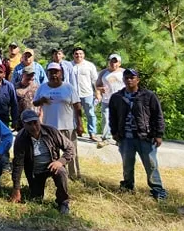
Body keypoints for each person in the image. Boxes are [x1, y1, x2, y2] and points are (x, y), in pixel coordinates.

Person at [109, 69, 168, 200]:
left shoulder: (148, 96)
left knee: (151, 165)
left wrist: (158, 134)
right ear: (123, 80)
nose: (129, 80)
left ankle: (158, 191)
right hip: (125, 137)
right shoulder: (117, 97)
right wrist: (114, 132)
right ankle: (127, 187)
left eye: (132, 77)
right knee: (127, 165)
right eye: (126, 77)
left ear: (138, 80)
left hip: (145, 137)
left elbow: (158, 115)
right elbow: (112, 116)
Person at [9, 109, 73, 215]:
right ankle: (34, 190)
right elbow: (18, 164)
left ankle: (63, 202)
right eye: (29, 124)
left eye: (35, 122)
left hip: (52, 165)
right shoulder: (21, 139)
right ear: (23, 124)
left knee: (61, 172)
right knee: (36, 199)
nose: (34, 127)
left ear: (39, 120)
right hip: (35, 171)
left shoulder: (51, 131)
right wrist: (16, 189)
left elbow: (70, 147)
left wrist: (60, 161)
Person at [33, 63, 83, 179]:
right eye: (51, 72)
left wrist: (79, 124)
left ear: (61, 73)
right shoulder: (42, 87)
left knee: (71, 152)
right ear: (47, 74)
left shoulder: (68, 87)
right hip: (49, 127)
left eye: (56, 72)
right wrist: (42, 100)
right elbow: (35, 103)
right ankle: (55, 175)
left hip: (67, 126)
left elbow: (77, 106)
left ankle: (74, 175)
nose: (53, 75)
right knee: (51, 153)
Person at [71, 47, 100, 140]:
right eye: (76, 53)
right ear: (73, 55)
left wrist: (97, 93)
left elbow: (95, 80)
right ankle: (76, 131)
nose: (78, 55)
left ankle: (92, 133)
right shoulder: (69, 65)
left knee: (90, 113)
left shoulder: (89, 65)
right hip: (74, 94)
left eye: (80, 54)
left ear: (84, 55)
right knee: (74, 114)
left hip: (87, 94)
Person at [97, 54, 125, 147]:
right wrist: (100, 89)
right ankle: (105, 138)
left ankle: (119, 139)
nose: (113, 64)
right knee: (106, 118)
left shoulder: (124, 72)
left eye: (115, 62)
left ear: (119, 63)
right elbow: (97, 84)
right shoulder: (103, 73)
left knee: (120, 119)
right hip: (107, 100)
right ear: (109, 62)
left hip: (121, 100)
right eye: (111, 61)